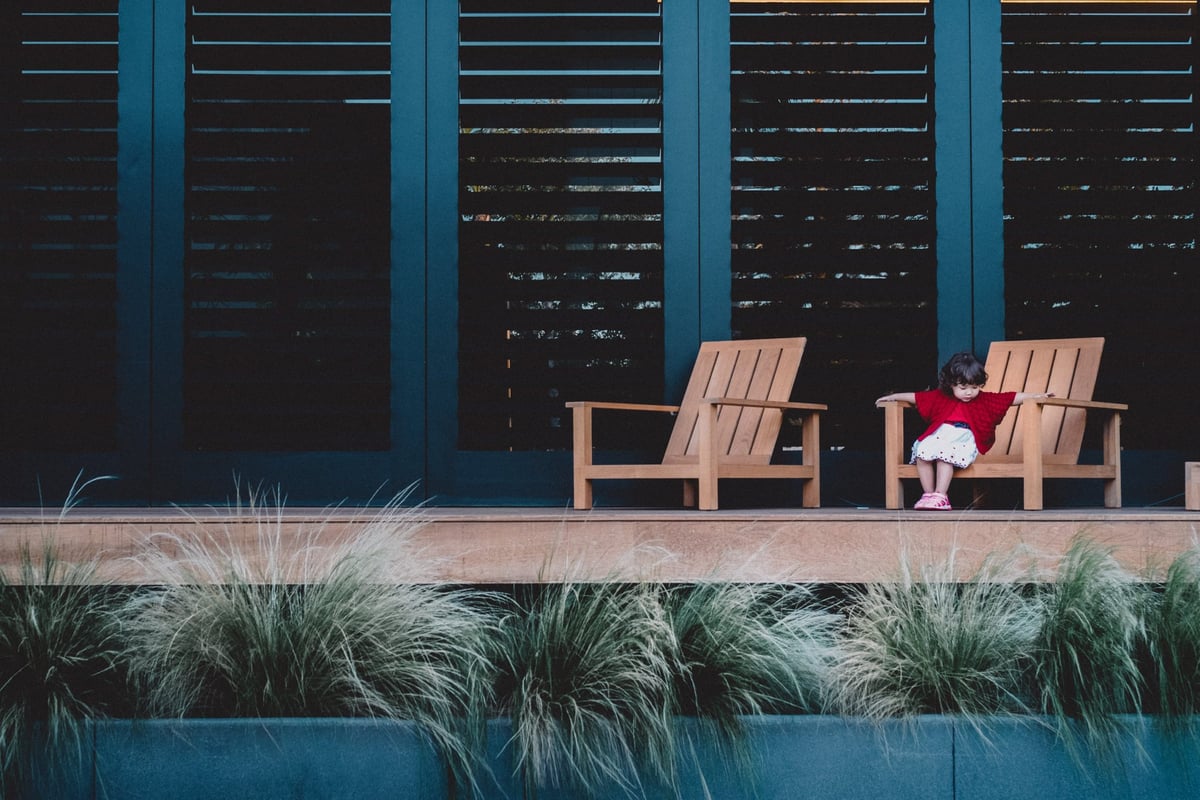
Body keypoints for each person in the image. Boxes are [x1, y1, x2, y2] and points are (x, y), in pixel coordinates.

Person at [875, 351, 1054, 510]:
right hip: (939, 435)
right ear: (950, 384)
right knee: (923, 452)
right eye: (963, 388)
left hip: (963, 439)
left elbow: (1011, 397)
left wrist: (1035, 396)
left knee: (943, 455)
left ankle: (941, 495)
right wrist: (893, 397)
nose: (969, 392)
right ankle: (929, 495)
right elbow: (916, 397)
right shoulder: (940, 397)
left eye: (974, 387)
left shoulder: (984, 400)